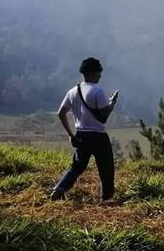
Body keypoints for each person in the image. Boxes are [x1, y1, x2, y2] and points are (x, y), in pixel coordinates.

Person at [50, 57, 119, 202]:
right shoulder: (97, 91)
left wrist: (71, 135)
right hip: (98, 136)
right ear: (93, 73)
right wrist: (112, 103)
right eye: (99, 73)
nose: (100, 76)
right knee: (106, 168)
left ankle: (59, 188)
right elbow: (104, 115)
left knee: (77, 166)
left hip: (81, 134)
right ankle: (106, 198)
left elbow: (61, 113)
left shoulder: (73, 91)